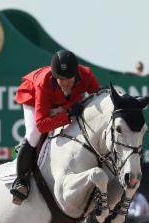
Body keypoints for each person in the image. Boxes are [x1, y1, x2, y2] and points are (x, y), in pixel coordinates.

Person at [11, 50, 101, 204]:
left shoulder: (86, 75)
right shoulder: (44, 82)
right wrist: (67, 116)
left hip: (64, 102)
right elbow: (41, 124)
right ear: (54, 76)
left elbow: (99, 97)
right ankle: (21, 182)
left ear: (76, 74)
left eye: (69, 79)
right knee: (33, 134)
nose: (65, 83)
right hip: (34, 97)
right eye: (61, 79)